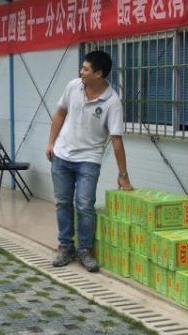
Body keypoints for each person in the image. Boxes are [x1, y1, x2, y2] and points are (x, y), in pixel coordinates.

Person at [46, 49, 133, 272]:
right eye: (82, 68)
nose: (81, 72)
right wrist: (51, 143)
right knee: (62, 202)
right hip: (62, 155)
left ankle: (85, 250)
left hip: (89, 159)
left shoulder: (112, 102)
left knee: (84, 205)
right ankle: (66, 247)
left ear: (99, 74)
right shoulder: (73, 86)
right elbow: (60, 113)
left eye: (85, 69)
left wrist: (123, 175)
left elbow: (116, 139)